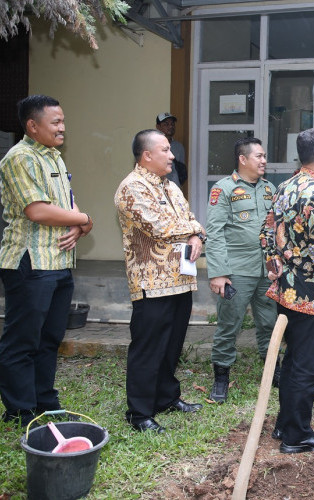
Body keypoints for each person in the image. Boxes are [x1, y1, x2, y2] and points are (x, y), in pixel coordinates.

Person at [0, 95, 93, 427]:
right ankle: (20, 410)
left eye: (63, 121)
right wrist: (82, 216)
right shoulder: (19, 158)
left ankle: (45, 403)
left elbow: (64, 203)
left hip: (58, 261)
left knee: (50, 337)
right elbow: (36, 210)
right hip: (29, 262)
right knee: (23, 339)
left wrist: (81, 225)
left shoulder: (54, 157)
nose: (62, 127)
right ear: (32, 125)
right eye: (55, 122)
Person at [115, 129, 206, 433]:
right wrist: (194, 230)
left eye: (171, 150)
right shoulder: (132, 187)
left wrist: (196, 232)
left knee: (171, 344)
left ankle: (166, 398)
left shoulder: (170, 185)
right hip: (152, 283)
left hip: (181, 277)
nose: (172, 155)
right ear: (147, 155)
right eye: (165, 150)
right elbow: (161, 226)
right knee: (148, 348)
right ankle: (139, 413)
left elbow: (191, 217)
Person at [260, 128, 314, 453]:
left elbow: (266, 231)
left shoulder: (286, 185)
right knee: (307, 367)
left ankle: (285, 424)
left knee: (293, 361)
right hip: (310, 295)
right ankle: (297, 436)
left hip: (286, 291)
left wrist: (273, 265)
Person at [206, 138, 277, 403]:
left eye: (264, 156)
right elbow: (214, 232)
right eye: (258, 156)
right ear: (243, 159)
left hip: (266, 271)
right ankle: (221, 377)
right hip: (236, 271)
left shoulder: (271, 188)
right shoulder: (223, 189)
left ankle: (273, 370)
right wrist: (218, 273)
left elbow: (276, 229)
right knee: (229, 324)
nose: (264, 161)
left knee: (269, 323)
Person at [156, 112, 187, 187]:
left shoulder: (179, 147)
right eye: (166, 124)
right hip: (157, 191)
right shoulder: (151, 145)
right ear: (158, 126)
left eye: (172, 124)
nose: (170, 126)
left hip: (174, 192)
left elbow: (181, 172)